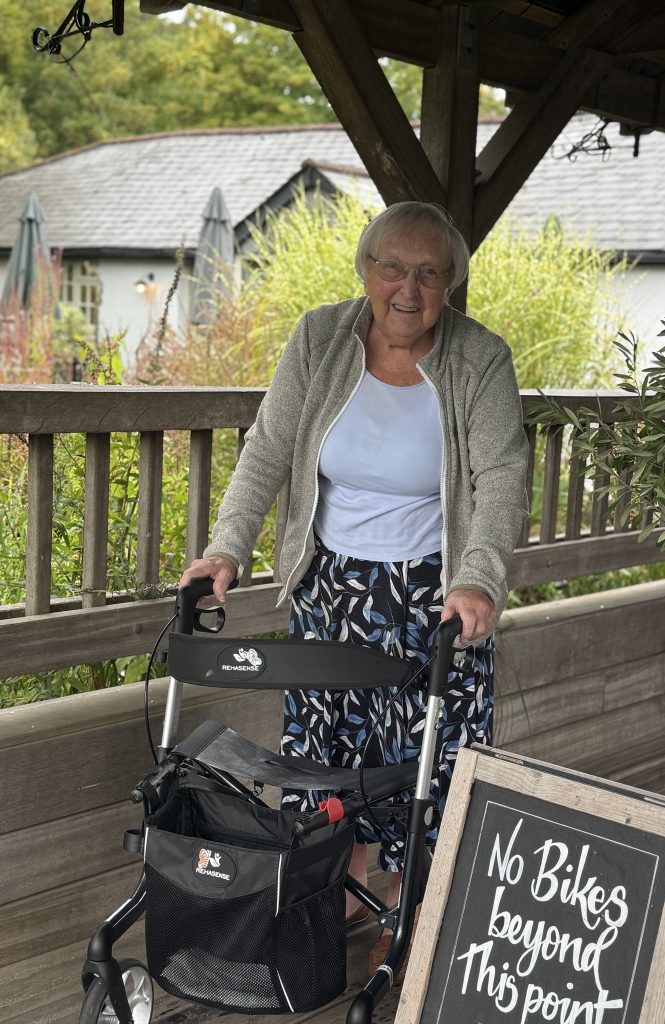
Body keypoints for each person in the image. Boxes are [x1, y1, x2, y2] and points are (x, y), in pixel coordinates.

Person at [180, 200, 528, 974]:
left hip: (436, 600)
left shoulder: (480, 359)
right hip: (331, 588)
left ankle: (407, 925)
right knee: (326, 760)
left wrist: (478, 581)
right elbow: (269, 447)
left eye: (429, 273)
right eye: (392, 267)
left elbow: (502, 478)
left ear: (450, 284)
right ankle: (331, 905)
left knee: (421, 763)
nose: (408, 288)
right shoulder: (319, 336)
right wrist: (225, 548)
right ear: (367, 272)